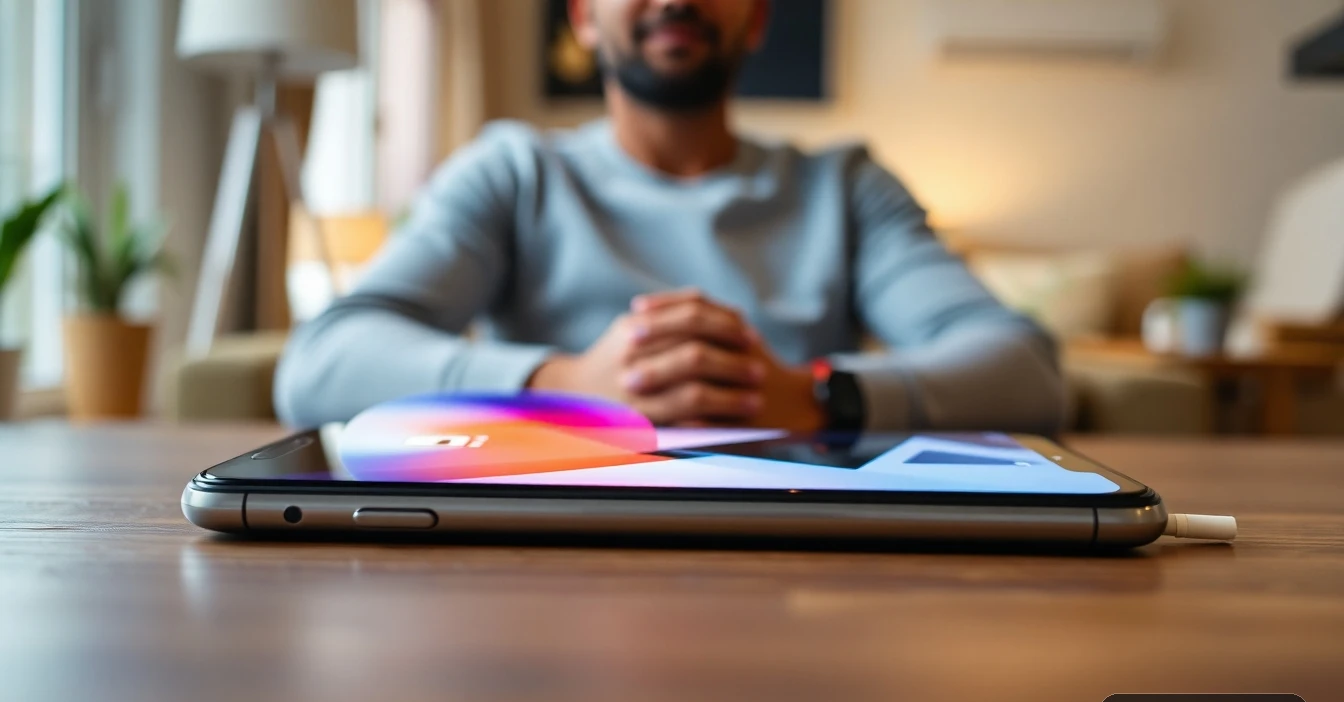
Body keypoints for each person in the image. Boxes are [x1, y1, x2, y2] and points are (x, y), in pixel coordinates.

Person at [275, 0, 1065, 434]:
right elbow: (320, 363)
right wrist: (567, 386)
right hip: (543, 545)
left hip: (804, 551)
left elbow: (1025, 369)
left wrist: (818, 397)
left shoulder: (846, 186)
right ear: (582, 17)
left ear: (756, 19)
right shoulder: (515, 171)